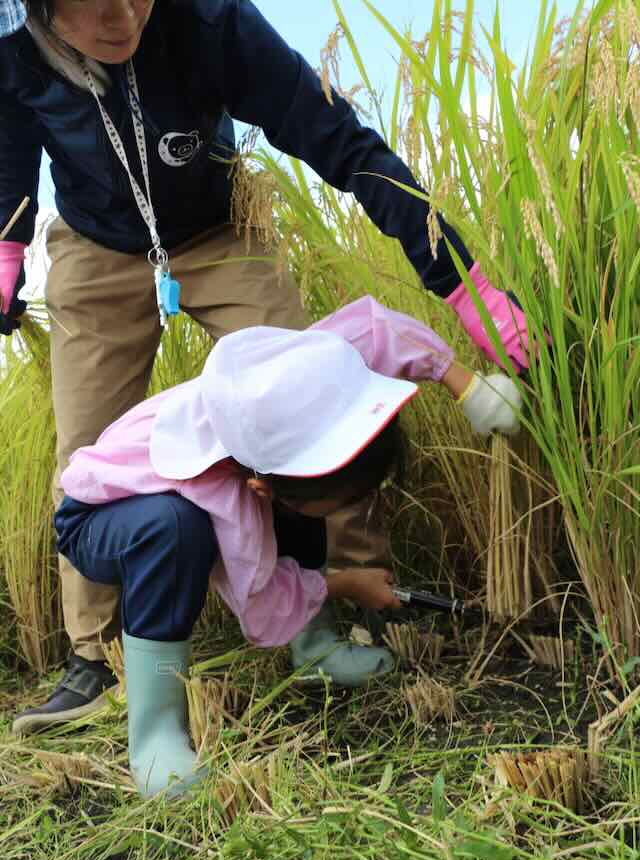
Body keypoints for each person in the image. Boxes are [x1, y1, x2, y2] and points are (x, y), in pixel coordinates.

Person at [1, 0, 534, 733]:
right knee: (84, 452)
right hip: (97, 249)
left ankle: (332, 624)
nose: (124, 16)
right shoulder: (14, 45)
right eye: (96, 6)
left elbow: (346, 145)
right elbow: (10, 150)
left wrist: (462, 283)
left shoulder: (212, 21)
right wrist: (6, 246)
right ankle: (96, 658)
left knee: (310, 400)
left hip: (220, 228)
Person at [46, 295, 521, 797]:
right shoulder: (232, 499)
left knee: (286, 495)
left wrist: (465, 384)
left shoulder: (316, 372)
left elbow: (376, 327)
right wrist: (348, 585)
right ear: (261, 490)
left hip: (221, 484)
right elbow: (262, 605)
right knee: (175, 529)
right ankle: (155, 733)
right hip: (99, 517)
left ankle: (316, 649)